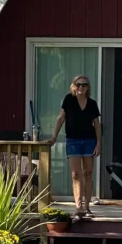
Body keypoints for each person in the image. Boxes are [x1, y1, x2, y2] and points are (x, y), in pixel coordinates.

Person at [49, 75, 101, 219]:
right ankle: (78, 207)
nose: (81, 87)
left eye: (84, 85)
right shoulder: (69, 100)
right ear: (73, 86)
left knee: (88, 173)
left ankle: (87, 207)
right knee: (75, 174)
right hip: (73, 141)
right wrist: (54, 136)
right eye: (78, 85)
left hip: (89, 141)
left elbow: (97, 124)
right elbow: (60, 118)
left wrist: (98, 143)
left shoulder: (92, 104)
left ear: (87, 87)